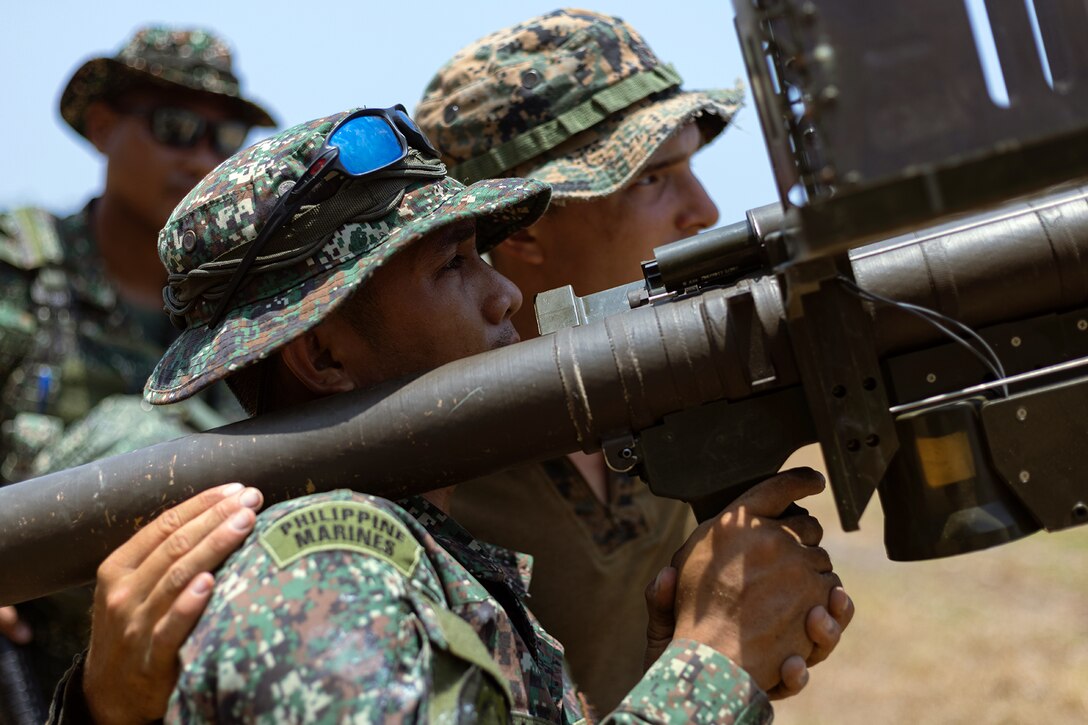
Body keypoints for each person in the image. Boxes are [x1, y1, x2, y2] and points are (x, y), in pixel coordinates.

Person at [50, 108, 847, 723]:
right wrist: (711, 661)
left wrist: (671, 659)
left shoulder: (418, 557)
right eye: (454, 266)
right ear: (325, 356)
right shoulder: (325, 575)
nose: (505, 296)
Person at [413, 8, 746, 709]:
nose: (705, 209)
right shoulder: (430, 471)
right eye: (654, 179)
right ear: (524, 229)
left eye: (691, 167)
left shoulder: (671, 379)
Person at [0, 26, 274, 703]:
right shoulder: (19, 275)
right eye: (176, 126)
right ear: (102, 126)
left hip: (197, 637)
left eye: (226, 138)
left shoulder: (243, 313)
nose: (203, 158)